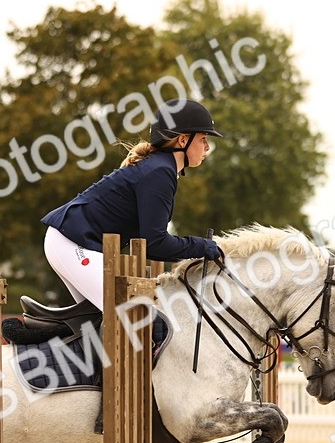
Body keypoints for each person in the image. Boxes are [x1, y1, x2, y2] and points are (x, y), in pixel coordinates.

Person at [40, 98, 224, 309]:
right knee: (136, 316)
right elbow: (156, 242)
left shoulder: (161, 169)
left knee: (98, 320)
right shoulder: (160, 172)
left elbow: (149, 245)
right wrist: (201, 246)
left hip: (71, 241)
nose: (207, 147)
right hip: (72, 243)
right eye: (203, 139)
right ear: (183, 140)